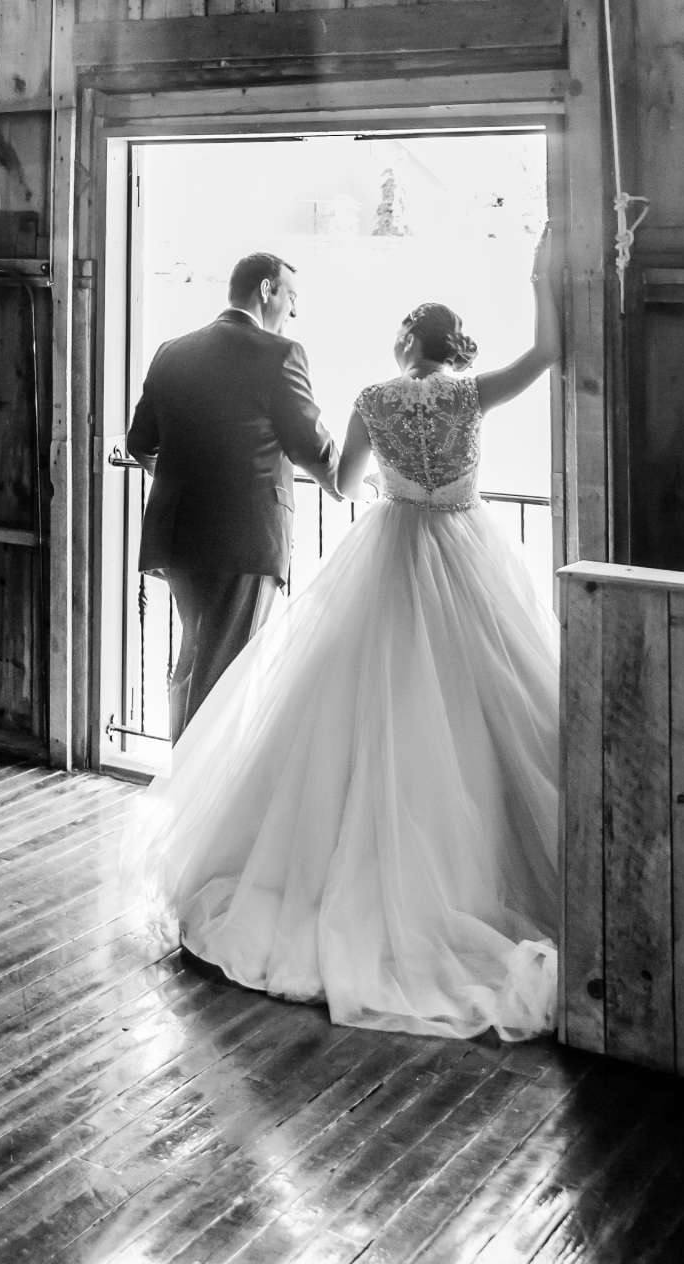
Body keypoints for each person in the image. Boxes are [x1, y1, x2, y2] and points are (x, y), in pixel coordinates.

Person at [146, 230, 563, 1044]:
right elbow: (548, 350)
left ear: (407, 344)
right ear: (457, 345)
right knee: (489, 704)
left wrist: (380, 480)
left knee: (351, 706)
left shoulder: (376, 399)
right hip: (469, 548)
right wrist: (542, 271)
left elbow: (342, 483)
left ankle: (314, 863)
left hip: (392, 548)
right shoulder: (475, 395)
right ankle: (479, 872)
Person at [125, 252, 347, 743]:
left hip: (178, 535)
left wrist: (192, 482)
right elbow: (310, 444)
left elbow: (140, 443)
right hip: (243, 539)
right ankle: (201, 797)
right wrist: (349, 482)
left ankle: (182, 780)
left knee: (193, 658)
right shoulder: (279, 354)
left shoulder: (172, 351)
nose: (294, 311)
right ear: (266, 290)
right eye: (292, 297)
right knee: (227, 674)